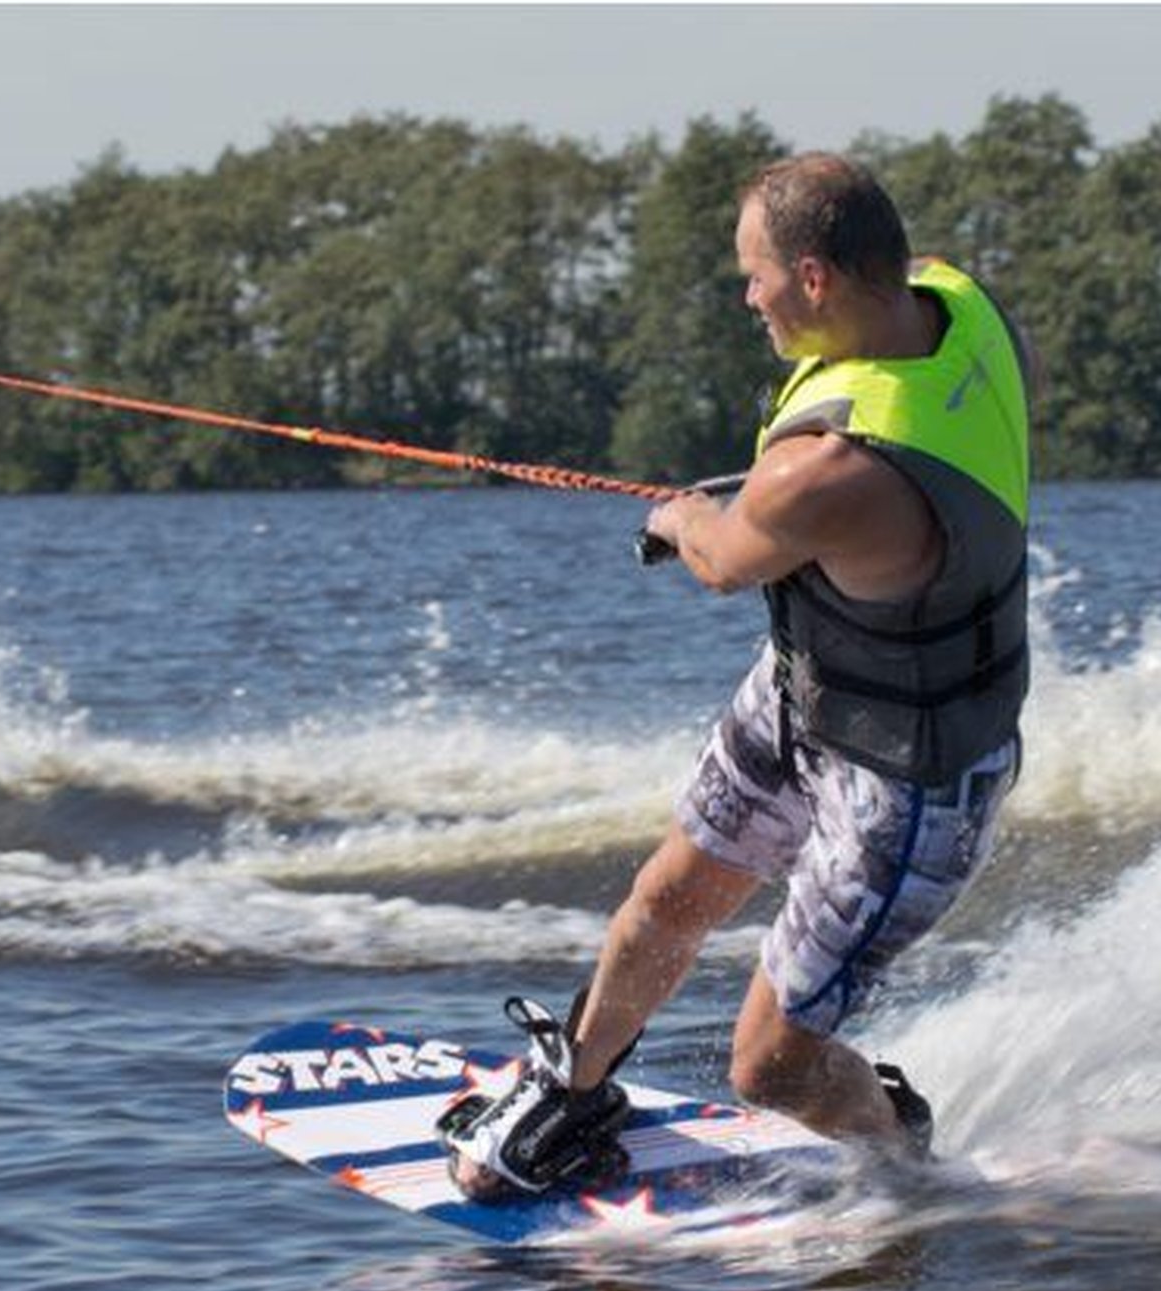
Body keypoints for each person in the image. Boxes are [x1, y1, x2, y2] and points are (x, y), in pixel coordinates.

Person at [441, 152, 1031, 1199]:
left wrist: (680, 516)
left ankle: (905, 1159)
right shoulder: (959, 303)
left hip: (910, 783)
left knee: (767, 1066)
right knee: (667, 896)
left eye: (753, 275)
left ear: (815, 277)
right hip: (812, 687)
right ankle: (575, 1088)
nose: (746, 296)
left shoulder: (825, 471)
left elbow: (719, 560)